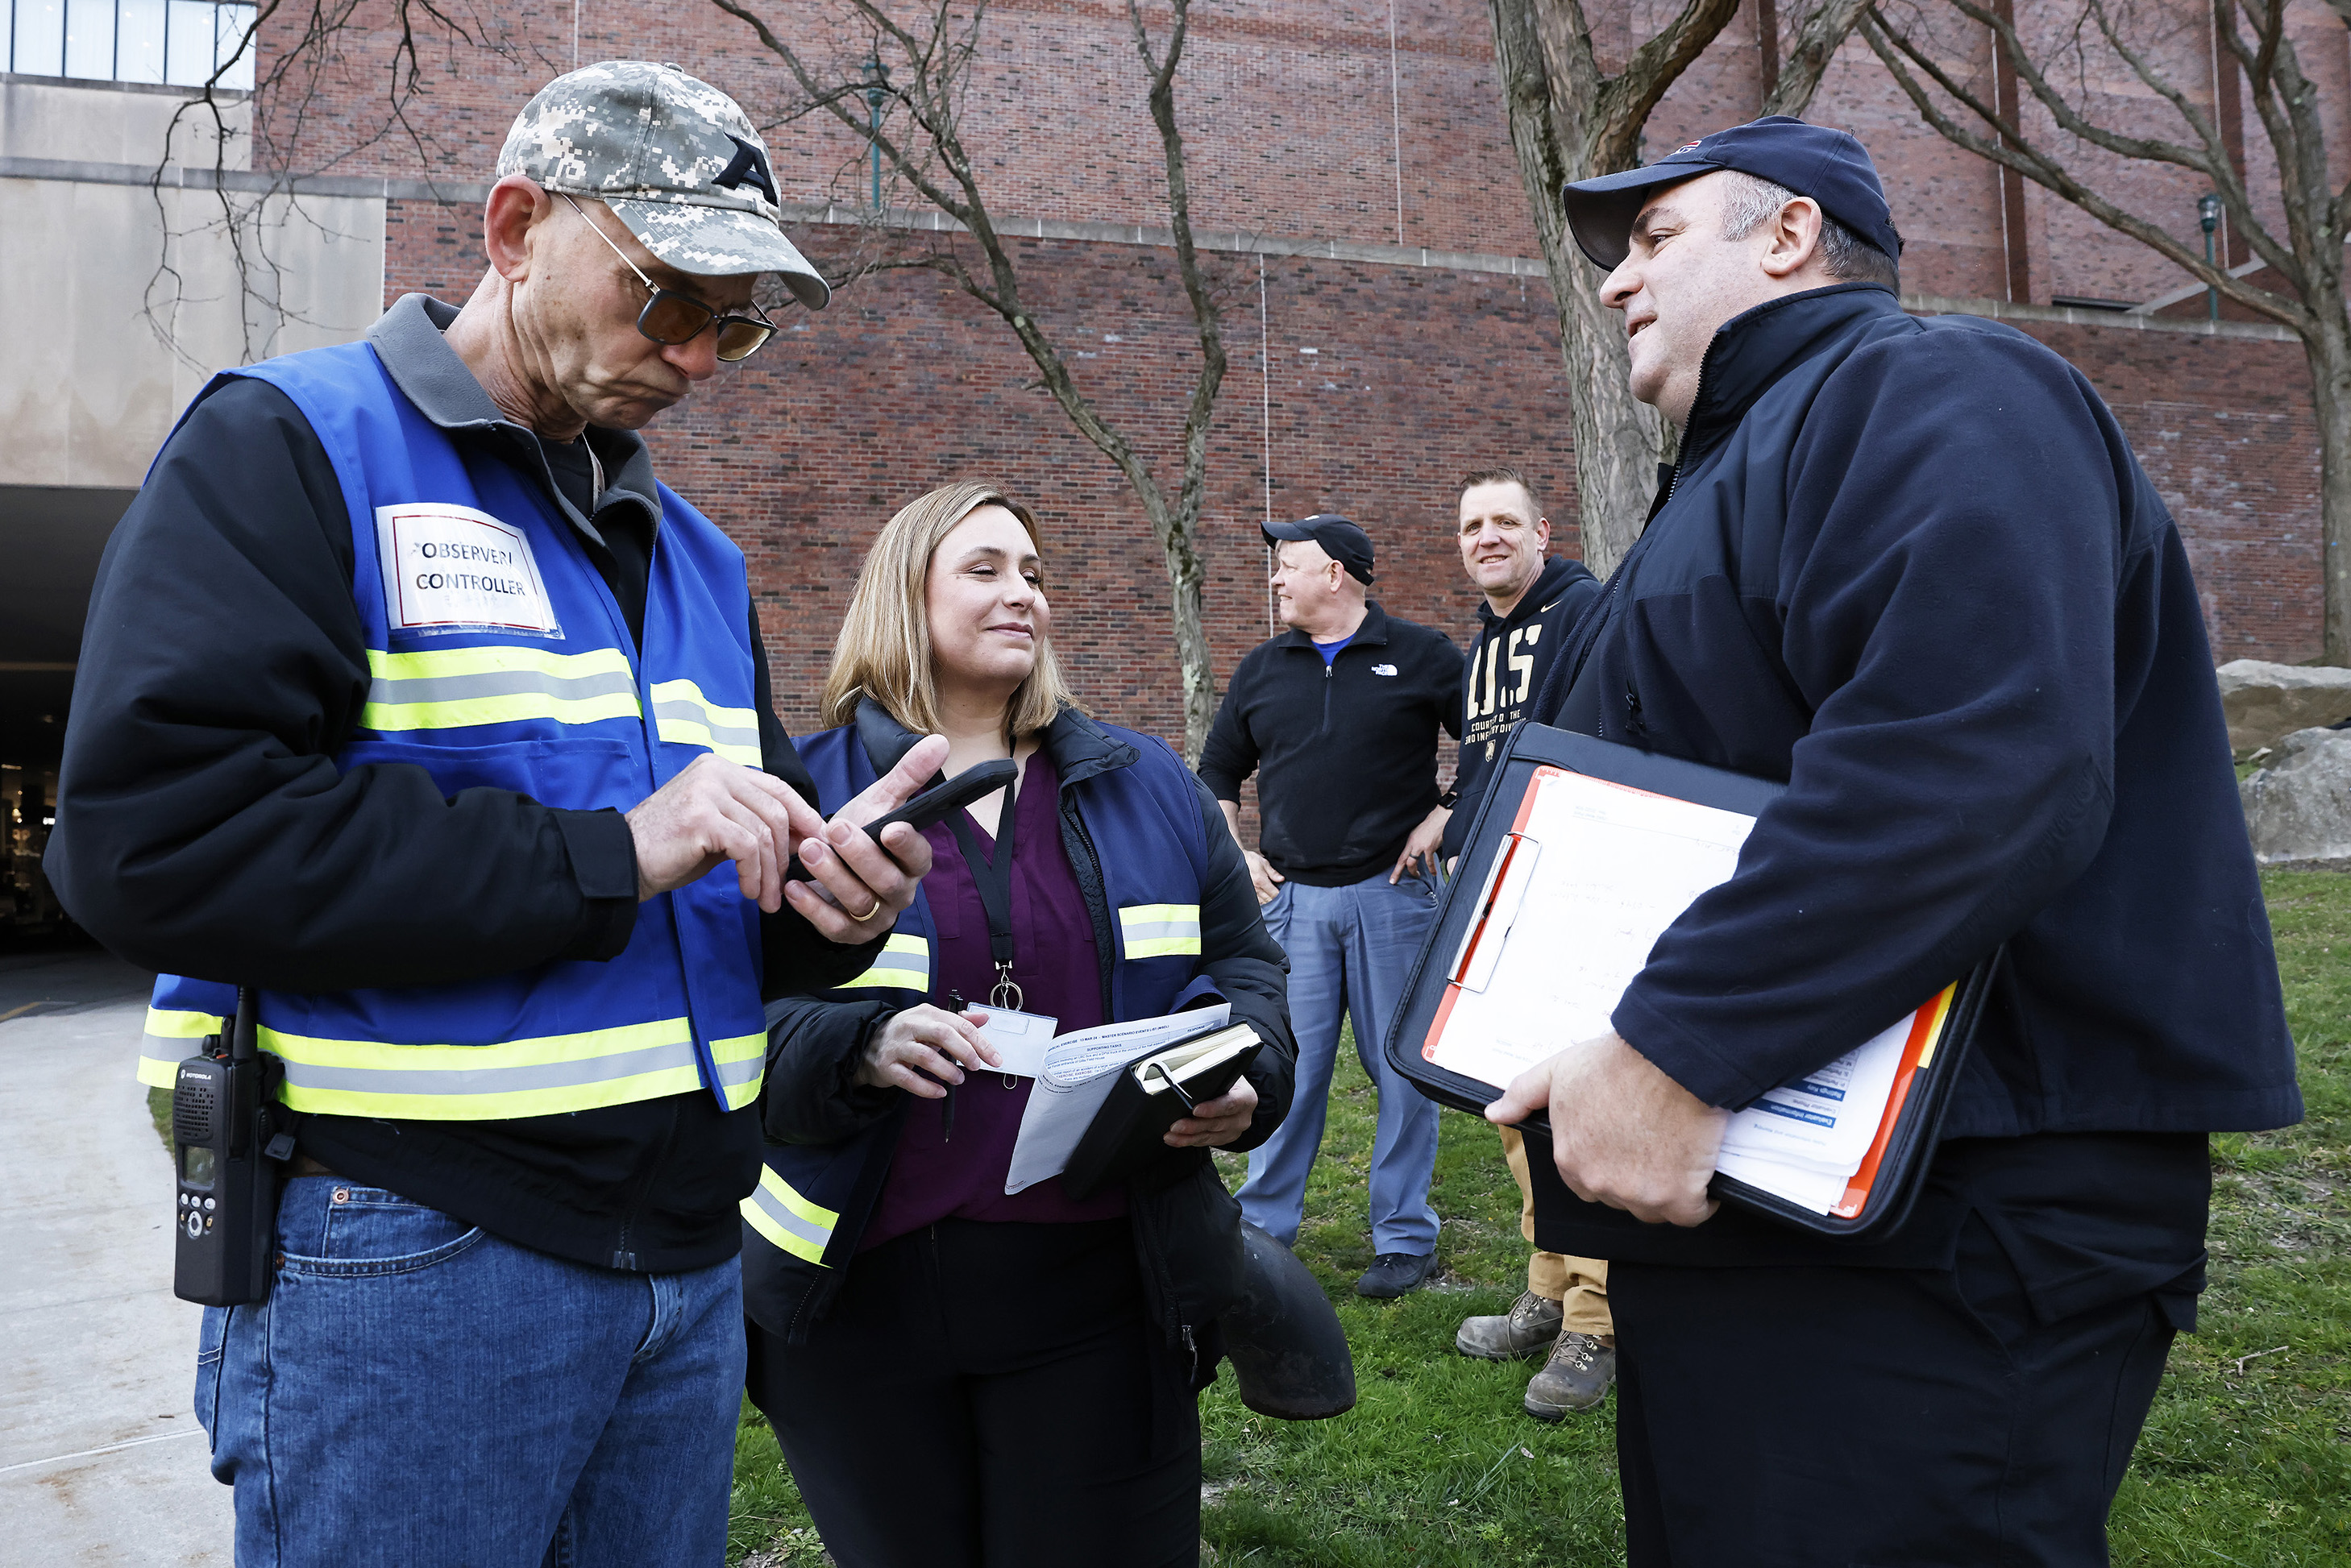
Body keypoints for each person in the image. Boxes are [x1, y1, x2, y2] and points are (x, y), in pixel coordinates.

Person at [49, 63, 941, 1566]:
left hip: (683, 1259)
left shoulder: (699, 558)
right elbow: (151, 843)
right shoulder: (295, 446)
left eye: (739, 320)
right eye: (670, 296)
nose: (703, 356)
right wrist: (615, 851)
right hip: (415, 1257)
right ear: (516, 227)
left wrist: (821, 909)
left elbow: (703, 890)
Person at [1477, 116, 2299, 1564]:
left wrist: (1676, 1043)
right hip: (1763, 1212)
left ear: (1787, 235)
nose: (1612, 283)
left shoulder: (1934, 385)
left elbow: (1975, 754)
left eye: (1656, 239)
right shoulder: (1724, 478)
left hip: (1952, 1219)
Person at [741, 481, 1296, 1568]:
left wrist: (1249, 1082)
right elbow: (729, 1025)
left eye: (1034, 575)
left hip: (1100, 1285)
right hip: (860, 1300)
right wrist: (861, 1046)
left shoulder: (1149, 786)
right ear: (905, 594)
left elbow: (1247, 970)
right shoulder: (802, 790)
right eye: (984, 569)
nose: (1022, 595)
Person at [1198, 513, 1462, 1298]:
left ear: (1335, 572)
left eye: (1287, 566)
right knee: (1287, 1067)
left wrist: (1446, 813)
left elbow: (1490, 742)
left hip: (1395, 897)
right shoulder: (1260, 669)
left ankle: (1403, 1237)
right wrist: (1237, 855)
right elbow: (1216, 772)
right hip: (1292, 905)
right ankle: (1261, 1227)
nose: (1274, 579)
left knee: (1402, 1072)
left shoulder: (1423, 655)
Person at [1438, 467, 1615, 1418]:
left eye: (1504, 520)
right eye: (1471, 525)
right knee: (1513, 1112)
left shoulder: (1581, 611)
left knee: (1563, 1106)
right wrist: (1448, 819)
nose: (1486, 536)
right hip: (1483, 885)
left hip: (1553, 892)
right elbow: (1485, 760)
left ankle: (1597, 1318)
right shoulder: (1487, 640)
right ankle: (1550, 1286)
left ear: (1543, 531)